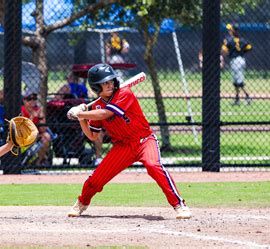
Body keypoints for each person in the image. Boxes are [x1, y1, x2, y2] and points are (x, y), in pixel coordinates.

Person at [66, 64, 192, 219]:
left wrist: (83, 113)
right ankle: (82, 203)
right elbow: (92, 136)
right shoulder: (97, 105)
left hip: (144, 140)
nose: (110, 84)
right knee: (96, 179)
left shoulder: (124, 93)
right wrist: (81, 118)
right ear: (95, 86)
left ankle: (179, 205)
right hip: (122, 147)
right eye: (105, 83)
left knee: (153, 166)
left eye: (111, 81)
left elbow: (106, 113)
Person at [222, 23, 253, 105]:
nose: (229, 31)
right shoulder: (242, 40)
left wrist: (228, 53)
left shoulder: (228, 40)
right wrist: (242, 52)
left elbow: (224, 50)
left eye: (230, 29)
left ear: (233, 30)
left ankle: (247, 96)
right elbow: (249, 47)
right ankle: (237, 99)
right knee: (236, 81)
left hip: (235, 60)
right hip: (241, 59)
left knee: (239, 81)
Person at [21, 93, 52, 165]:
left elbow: (43, 130)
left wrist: (40, 117)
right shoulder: (22, 110)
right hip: (24, 135)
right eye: (29, 99)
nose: (32, 101)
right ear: (24, 101)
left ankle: (39, 162)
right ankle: (28, 159)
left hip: (37, 135)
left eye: (34, 99)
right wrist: (32, 117)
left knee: (46, 136)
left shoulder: (38, 110)